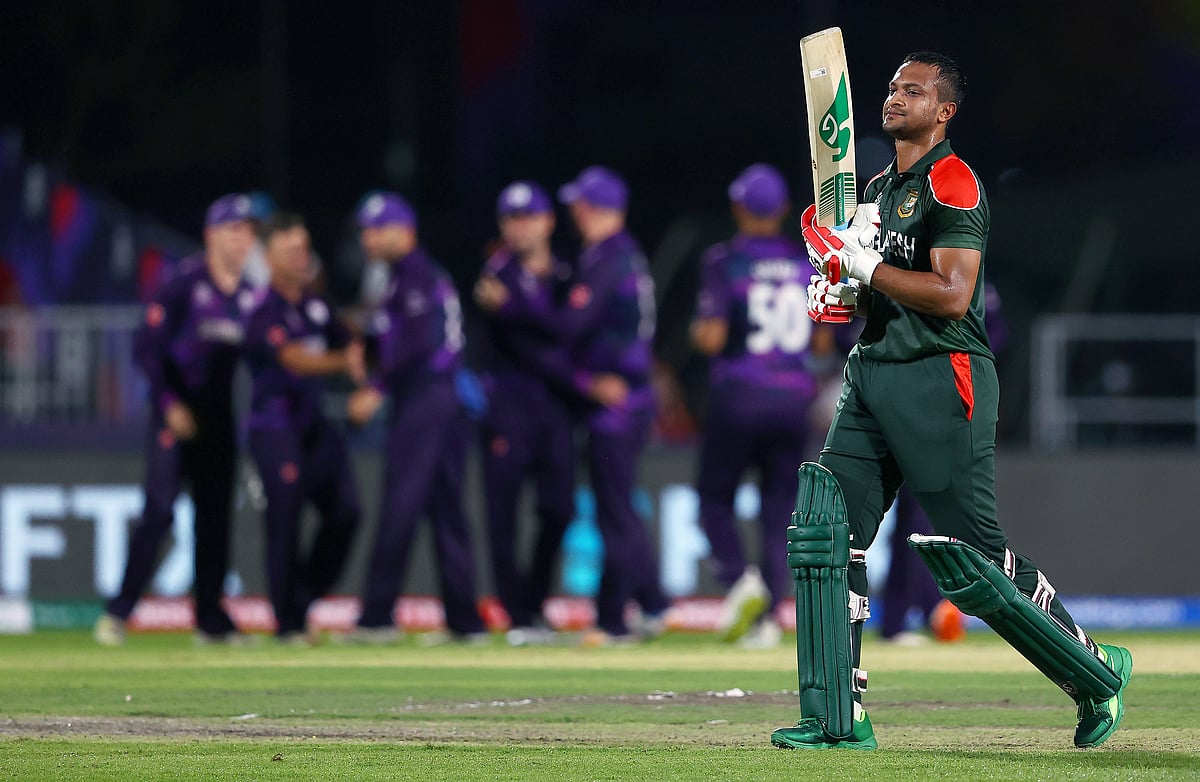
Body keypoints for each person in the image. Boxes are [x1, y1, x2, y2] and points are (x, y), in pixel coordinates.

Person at [773, 52, 1131, 750]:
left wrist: (868, 266)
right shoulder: (877, 186)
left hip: (943, 376)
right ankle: (836, 718)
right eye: (893, 87)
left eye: (915, 90)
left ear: (945, 112)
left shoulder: (954, 181)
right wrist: (843, 292)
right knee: (825, 534)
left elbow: (952, 295)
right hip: (874, 372)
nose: (896, 96)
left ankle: (1094, 671)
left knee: (976, 557)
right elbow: (872, 287)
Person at [476, 166, 668, 645]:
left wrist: (511, 307)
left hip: (615, 400)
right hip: (591, 399)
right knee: (615, 508)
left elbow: (566, 327)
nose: (573, 213)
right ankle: (646, 603)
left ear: (594, 208)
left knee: (612, 511)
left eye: (579, 204)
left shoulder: (605, 258)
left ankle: (615, 618)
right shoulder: (616, 256)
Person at [94, 194, 258, 646]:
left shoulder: (248, 296)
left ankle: (210, 619)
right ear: (211, 235)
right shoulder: (184, 282)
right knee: (160, 512)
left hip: (220, 420)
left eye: (248, 231)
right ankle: (118, 612)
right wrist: (169, 404)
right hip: (175, 414)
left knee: (215, 519)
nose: (243, 239)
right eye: (235, 230)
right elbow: (146, 347)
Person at [690, 163, 830, 649]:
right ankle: (770, 614)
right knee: (778, 511)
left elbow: (711, 337)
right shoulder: (804, 261)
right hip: (793, 399)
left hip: (739, 395)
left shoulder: (724, 260)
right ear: (784, 211)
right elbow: (820, 340)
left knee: (713, 499)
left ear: (738, 208)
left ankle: (737, 578)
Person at [344, 191, 488, 643]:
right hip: (442, 400)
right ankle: (465, 621)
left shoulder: (413, 274)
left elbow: (420, 342)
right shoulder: (406, 276)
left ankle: (376, 617)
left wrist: (377, 388)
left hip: (426, 399)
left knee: (400, 505)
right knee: (446, 510)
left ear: (402, 230)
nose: (366, 238)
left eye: (375, 229)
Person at [242, 212, 365, 643]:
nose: (300, 255)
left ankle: (304, 596)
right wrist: (343, 362)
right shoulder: (261, 307)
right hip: (274, 427)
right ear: (270, 256)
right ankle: (287, 623)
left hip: (314, 424)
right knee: (284, 521)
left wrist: (364, 346)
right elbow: (292, 358)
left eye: (303, 247)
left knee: (347, 511)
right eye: (290, 249)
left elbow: (347, 336)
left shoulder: (314, 304)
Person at [473, 181, 578, 646]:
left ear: (547, 221)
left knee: (559, 508)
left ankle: (533, 599)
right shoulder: (495, 274)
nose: (520, 228)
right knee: (503, 514)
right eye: (512, 219)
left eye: (528, 217)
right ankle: (516, 613)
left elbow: (564, 334)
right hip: (509, 409)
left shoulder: (564, 273)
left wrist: (516, 309)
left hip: (554, 410)